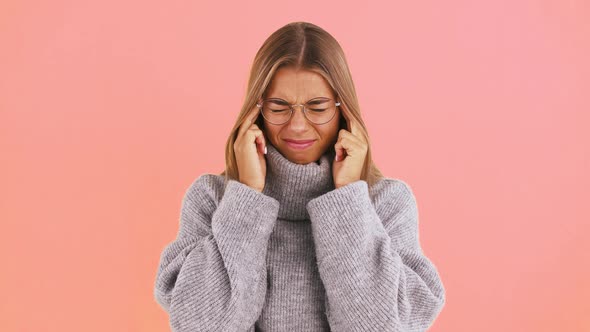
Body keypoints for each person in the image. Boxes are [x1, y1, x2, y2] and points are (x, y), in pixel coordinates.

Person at [153, 21, 446, 332]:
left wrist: (348, 199)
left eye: (317, 107)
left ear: (345, 111)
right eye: (279, 107)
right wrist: (247, 196)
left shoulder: (387, 202)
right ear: (256, 110)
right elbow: (201, 326)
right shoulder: (212, 199)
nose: (297, 126)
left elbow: (380, 327)